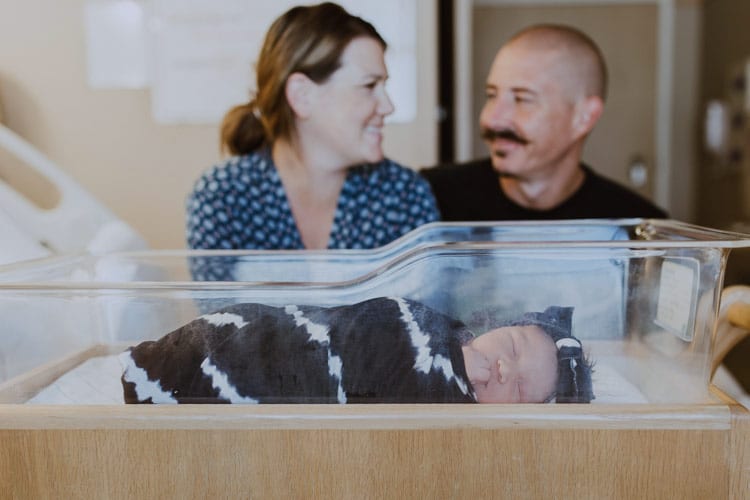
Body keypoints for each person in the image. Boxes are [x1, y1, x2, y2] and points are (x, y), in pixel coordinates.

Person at [186, 2, 439, 253]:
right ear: (302, 95)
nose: (388, 106)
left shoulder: (405, 195)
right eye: (369, 86)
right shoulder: (223, 198)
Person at [120, 297, 594, 404]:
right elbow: (366, 323)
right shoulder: (430, 327)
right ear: (490, 327)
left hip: (306, 392)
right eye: (510, 344)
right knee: (236, 341)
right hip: (278, 339)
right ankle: (163, 368)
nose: (503, 366)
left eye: (519, 388)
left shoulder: (451, 408)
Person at [421, 24, 667, 220]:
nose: (493, 119)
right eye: (492, 95)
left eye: (522, 99)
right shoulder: (426, 199)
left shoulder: (636, 228)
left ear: (583, 117)